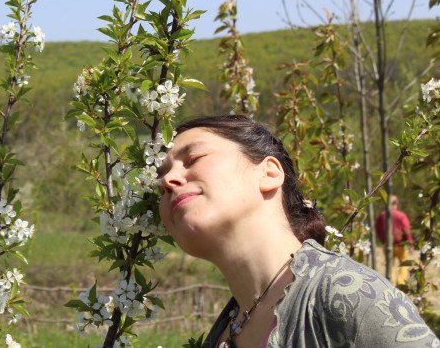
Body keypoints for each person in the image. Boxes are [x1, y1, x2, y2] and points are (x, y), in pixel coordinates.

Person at [157, 115, 438, 347]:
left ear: (269, 173)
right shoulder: (226, 331)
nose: (168, 180)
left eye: (193, 158)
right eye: (159, 185)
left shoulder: (345, 293)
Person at [374, 195, 413, 286]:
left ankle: (391, 283)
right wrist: (410, 243)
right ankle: (401, 282)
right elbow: (406, 230)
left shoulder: (382, 216)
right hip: (401, 245)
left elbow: (377, 230)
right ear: (396, 203)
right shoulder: (401, 216)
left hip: (387, 245)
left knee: (390, 266)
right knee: (404, 264)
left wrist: (383, 240)